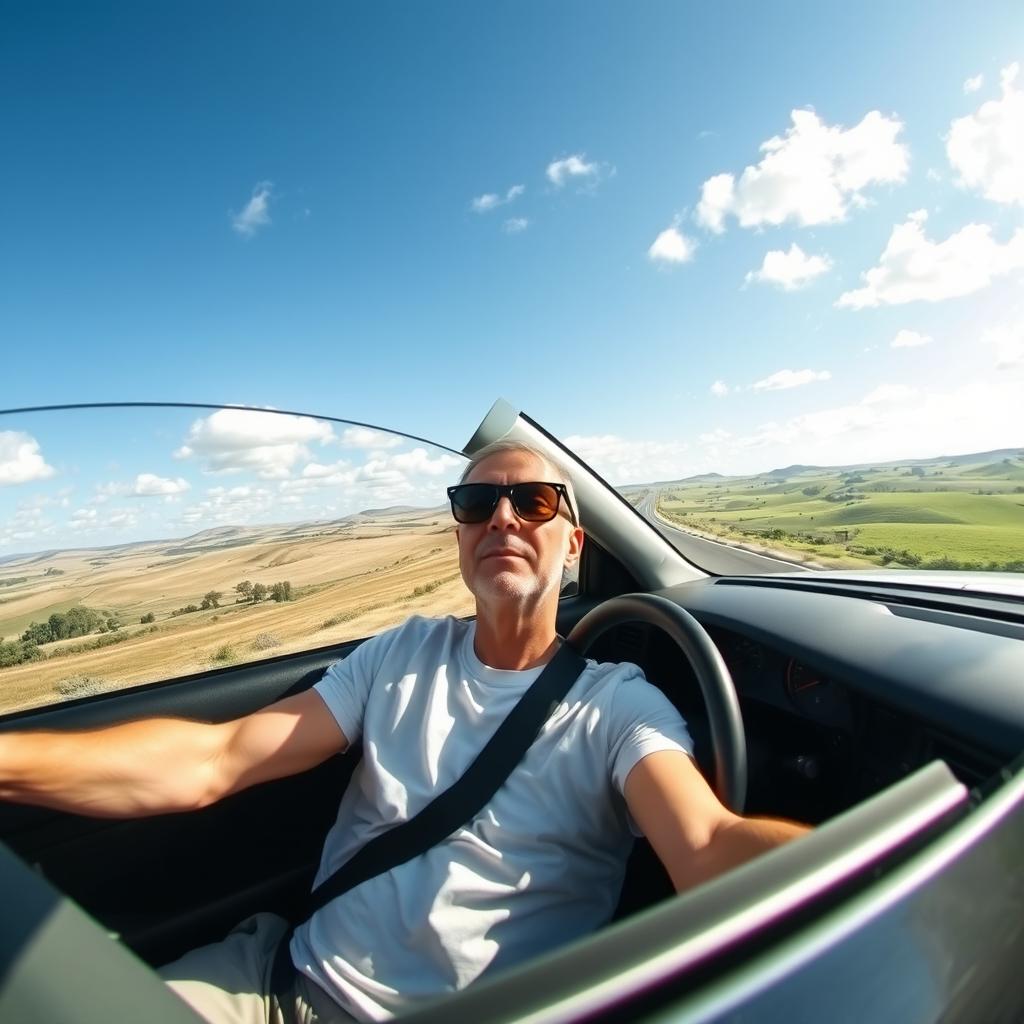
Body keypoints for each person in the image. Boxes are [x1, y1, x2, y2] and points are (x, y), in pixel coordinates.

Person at [0, 440, 807, 1023]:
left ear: (573, 543)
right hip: (277, 985)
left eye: (532, 502)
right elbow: (216, 759)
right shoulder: (399, 654)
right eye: (475, 502)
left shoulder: (617, 708)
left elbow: (706, 845)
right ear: (458, 533)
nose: (502, 518)